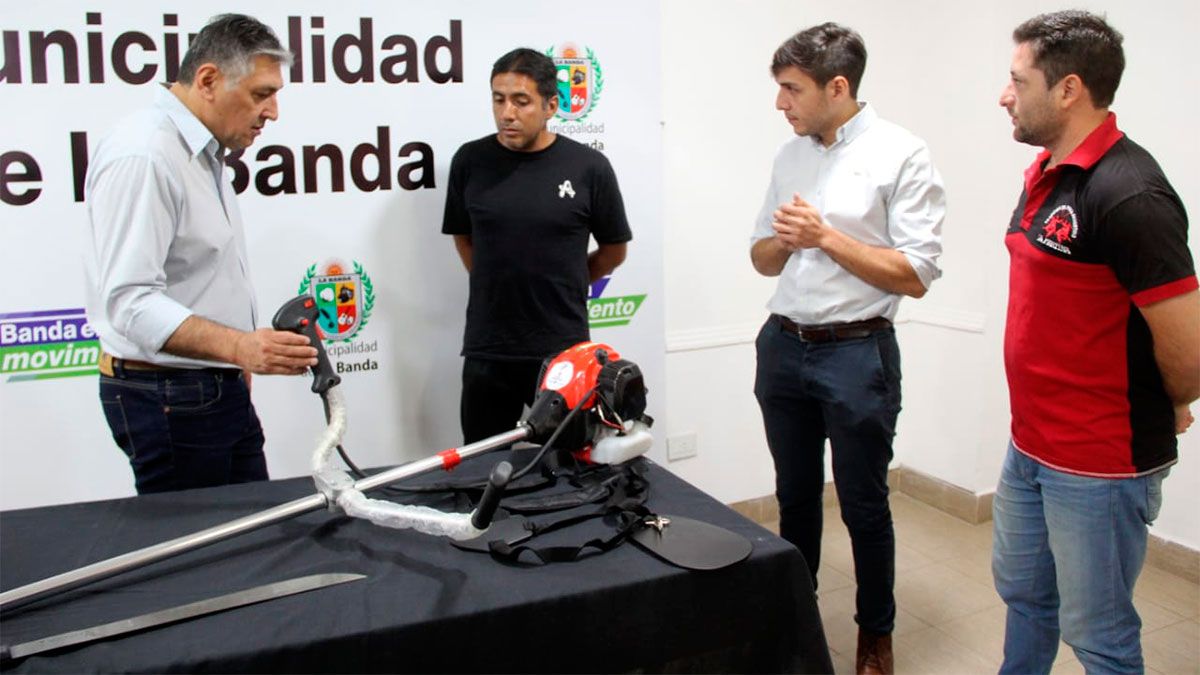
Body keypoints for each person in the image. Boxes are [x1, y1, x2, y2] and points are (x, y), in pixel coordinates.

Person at [992, 10, 1199, 673]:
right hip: (1030, 444)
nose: (1004, 95)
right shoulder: (1046, 171)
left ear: (1068, 89)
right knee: (1025, 596)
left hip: (1098, 463)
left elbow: (1190, 352)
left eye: (1018, 80)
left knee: (1099, 636)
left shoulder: (1131, 193)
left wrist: (1166, 398)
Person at [749, 23, 945, 675]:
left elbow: (915, 273)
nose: (781, 103)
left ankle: (875, 636)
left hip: (857, 354)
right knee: (795, 495)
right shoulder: (790, 156)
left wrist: (825, 237)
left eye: (791, 89)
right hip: (783, 345)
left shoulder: (902, 153)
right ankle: (796, 622)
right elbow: (761, 259)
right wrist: (784, 241)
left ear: (838, 87)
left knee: (863, 506)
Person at [83, 14, 318, 495]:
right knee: (201, 540)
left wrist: (233, 362)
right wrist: (239, 348)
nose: (273, 112)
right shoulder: (146, 154)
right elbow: (129, 303)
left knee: (250, 528)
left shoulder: (201, 152)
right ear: (208, 80)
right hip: (171, 394)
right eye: (261, 94)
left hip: (209, 386)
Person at [442, 48, 631, 443]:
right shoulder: (470, 161)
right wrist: (494, 280)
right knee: (483, 465)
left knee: (568, 464)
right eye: (498, 99)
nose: (507, 113)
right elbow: (463, 235)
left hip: (564, 351)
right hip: (488, 350)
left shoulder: (589, 167)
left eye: (521, 101)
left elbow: (614, 251)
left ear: (551, 106)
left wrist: (569, 281)